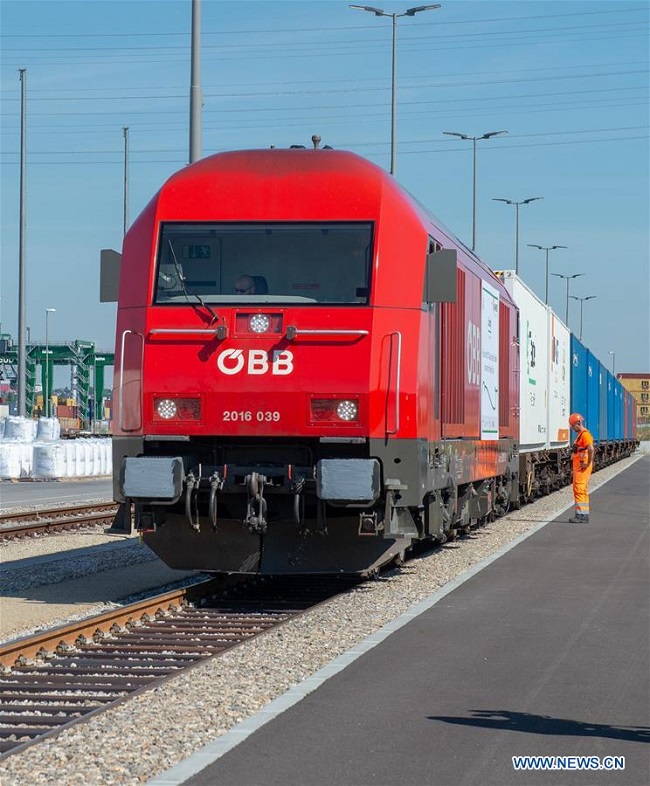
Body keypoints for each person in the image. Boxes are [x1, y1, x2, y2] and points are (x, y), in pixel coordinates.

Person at [568, 412, 594, 523]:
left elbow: (591, 449)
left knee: (579, 489)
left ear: (578, 423)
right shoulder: (580, 435)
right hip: (579, 468)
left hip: (583, 467)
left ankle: (581, 516)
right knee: (580, 490)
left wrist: (587, 463)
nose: (573, 429)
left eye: (573, 426)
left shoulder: (585, 434)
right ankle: (583, 514)